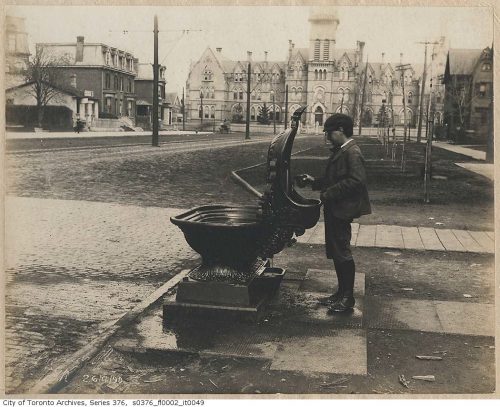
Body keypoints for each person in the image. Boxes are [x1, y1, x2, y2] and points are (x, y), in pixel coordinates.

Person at [296, 113, 371, 313]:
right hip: (336, 208)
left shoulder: (352, 152)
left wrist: (328, 193)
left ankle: (347, 298)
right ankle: (341, 293)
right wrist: (314, 181)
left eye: (330, 132)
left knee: (342, 251)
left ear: (341, 130)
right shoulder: (342, 151)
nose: (328, 136)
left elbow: (356, 181)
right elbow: (335, 178)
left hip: (342, 209)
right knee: (337, 251)